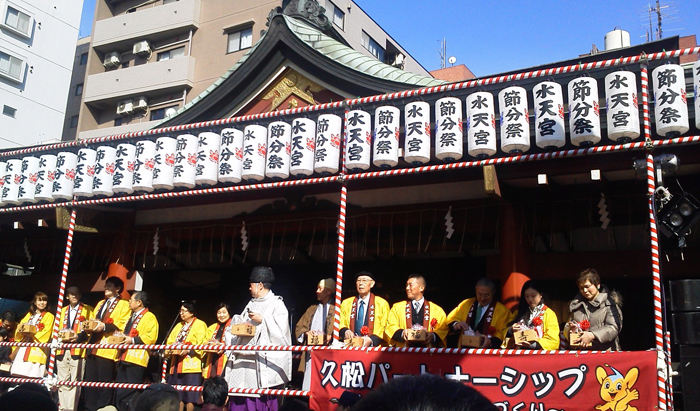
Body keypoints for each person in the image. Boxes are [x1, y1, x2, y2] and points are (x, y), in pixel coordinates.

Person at [223, 266, 292, 411]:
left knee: (259, 402)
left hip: (260, 364)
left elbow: (282, 335)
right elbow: (238, 325)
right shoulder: (251, 303)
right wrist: (238, 324)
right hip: (242, 362)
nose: (249, 288)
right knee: (239, 399)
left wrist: (264, 320)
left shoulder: (277, 304)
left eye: (251, 285)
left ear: (260, 285)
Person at [82, 276, 132, 411]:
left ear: (118, 289)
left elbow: (122, 323)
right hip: (93, 346)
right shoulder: (100, 303)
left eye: (109, 286)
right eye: (106, 285)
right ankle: (89, 408)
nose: (106, 288)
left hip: (107, 348)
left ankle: (102, 408)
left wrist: (103, 327)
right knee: (90, 382)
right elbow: (93, 319)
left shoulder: (124, 304)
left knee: (104, 383)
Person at [351, 373, 498, 411]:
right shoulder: (398, 307)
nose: (482, 296)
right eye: (479, 293)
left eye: (485, 293)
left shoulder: (435, 310)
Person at [115, 291, 160, 411]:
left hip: (136, 359)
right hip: (123, 357)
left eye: (131, 299)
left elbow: (151, 337)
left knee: (132, 391)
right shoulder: (131, 316)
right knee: (120, 390)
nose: (129, 302)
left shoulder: (150, 316)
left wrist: (133, 340)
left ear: (139, 302)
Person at [56, 286, 94, 411]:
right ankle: (63, 407)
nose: (74, 296)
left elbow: (90, 329)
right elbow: (55, 330)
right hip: (62, 348)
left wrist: (78, 337)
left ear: (80, 295)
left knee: (75, 382)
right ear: (67, 296)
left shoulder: (88, 310)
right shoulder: (61, 311)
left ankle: (71, 408)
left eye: (76, 293)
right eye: (71, 294)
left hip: (77, 349)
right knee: (62, 381)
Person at [444, 278, 512, 348]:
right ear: (475, 291)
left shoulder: (503, 311)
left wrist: (490, 341)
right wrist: (456, 324)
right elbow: (450, 319)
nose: (482, 298)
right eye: (479, 294)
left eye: (486, 295)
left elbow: (503, 332)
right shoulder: (466, 304)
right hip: (465, 350)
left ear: (493, 293)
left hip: (487, 352)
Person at [294, 278, 336, 390]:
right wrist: (307, 333)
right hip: (311, 352)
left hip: (328, 353)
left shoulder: (337, 310)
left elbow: (341, 329)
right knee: (309, 382)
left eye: (320, 288)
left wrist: (332, 337)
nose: (317, 291)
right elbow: (300, 327)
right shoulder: (312, 309)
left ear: (328, 291)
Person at [166, 301, 207, 411]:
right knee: (177, 395)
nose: (182, 313)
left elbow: (202, 344)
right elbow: (169, 341)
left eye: (184, 311)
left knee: (190, 397)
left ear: (192, 312)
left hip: (191, 366)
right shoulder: (179, 325)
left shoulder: (200, 324)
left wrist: (188, 350)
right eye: (181, 311)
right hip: (176, 363)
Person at [386, 274, 448, 348]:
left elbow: (443, 328)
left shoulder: (436, 309)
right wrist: (403, 333)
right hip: (405, 352)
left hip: (428, 353)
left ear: (421, 288)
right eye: (406, 285)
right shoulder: (397, 307)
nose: (407, 288)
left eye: (410, 285)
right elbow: (390, 326)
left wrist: (432, 336)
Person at [568, 268, 622, 351]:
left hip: (605, 354)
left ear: (597, 285)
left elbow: (614, 328)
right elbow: (568, 326)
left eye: (587, 286)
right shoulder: (576, 306)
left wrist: (592, 335)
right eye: (581, 288)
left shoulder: (609, 304)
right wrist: (570, 329)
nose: (585, 291)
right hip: (582, 355)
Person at [339, 271, 390, 347]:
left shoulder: (381, 303)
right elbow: (339, 321)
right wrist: (345, 330)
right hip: (350, 345)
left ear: (372, 284)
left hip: (374, 348)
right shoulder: (346, 303)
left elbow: (385, 325)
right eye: (358, 281)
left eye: (364, 281)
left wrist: (371, 340)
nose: (361, 283)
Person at [10, 291, 55, 378]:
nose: (42, 303)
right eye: (39, 300)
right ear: (35, 302)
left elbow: (46, 332)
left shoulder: (49, 316)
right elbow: (20, 327)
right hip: (24, 346)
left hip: (37, 348)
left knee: (34, 374)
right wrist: (22, 331)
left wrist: (32, 334)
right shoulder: (29, 315)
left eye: (44, 301)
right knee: (20, 374)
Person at [506, 280, 560, 350]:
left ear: (541, 295)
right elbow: (503, 331)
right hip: (520, 352)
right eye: (527, 296)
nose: (530, 299)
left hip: (538, 354)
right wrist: (511, 330)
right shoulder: (518, 313)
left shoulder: (549, 314)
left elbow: (553, 340)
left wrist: (533, 345)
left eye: (533, 296)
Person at [202, 303, 233, 380]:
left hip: (227, 359)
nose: (221, 315)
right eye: (219, 313)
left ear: (229, 313)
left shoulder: (234, 325)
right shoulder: (212, 327)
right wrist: (209, 343)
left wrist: (222, 345)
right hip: (212, 359)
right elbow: (204, 341)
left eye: (224, 312)